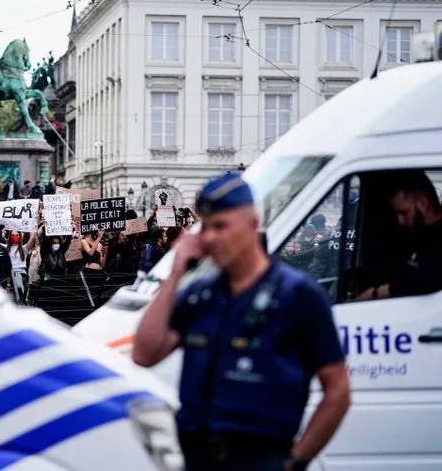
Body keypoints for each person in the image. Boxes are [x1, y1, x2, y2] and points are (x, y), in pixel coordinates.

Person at [132, 172, 350, 471]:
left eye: (220, 226)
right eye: (205, 228)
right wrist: (175, 272)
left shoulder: (298, 295)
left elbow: (338, 391)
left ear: (252, 224)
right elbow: (145, 352)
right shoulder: (201, 294)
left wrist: (294, 462)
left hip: (259, 459)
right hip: (197, 459)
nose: (209, 237)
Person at [356, 170, 442, 300]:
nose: (400, 221)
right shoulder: (411, 235)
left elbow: (427, 280)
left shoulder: (437, 241)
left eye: (404, 212)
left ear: (423, 204)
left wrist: (378, 293)